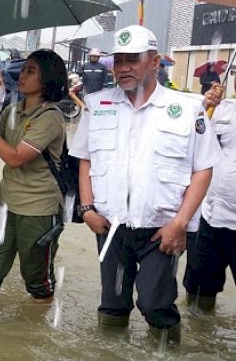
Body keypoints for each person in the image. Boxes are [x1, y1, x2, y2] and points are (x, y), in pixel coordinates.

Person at [69, 25, 220, 345]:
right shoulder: (97, 105)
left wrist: (180, 223)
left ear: (154, 62)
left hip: (161, 230)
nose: (123, 68)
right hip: (109, 226)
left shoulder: (186, 109)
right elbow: (86, 160)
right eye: (119, 60)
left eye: (133, 59)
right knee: (111, 309)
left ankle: (167, 350)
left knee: (156, 305)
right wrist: (87, 209)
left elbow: (203, 169)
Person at [0, 49, 68, 302]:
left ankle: (35, 331)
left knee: (37, 281)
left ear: (47, 79)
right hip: (5, 202)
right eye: (23, 69)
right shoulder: (12, 111)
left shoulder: (51, 117)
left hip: (39, 209)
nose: (22, 75)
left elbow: (14, 158)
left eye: (31, 71)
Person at [183, 83, 235, 312]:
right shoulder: (222, 109)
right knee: (198, 293)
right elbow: (189, 136)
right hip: (208, 216)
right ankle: (201, 337)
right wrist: (203, 106)